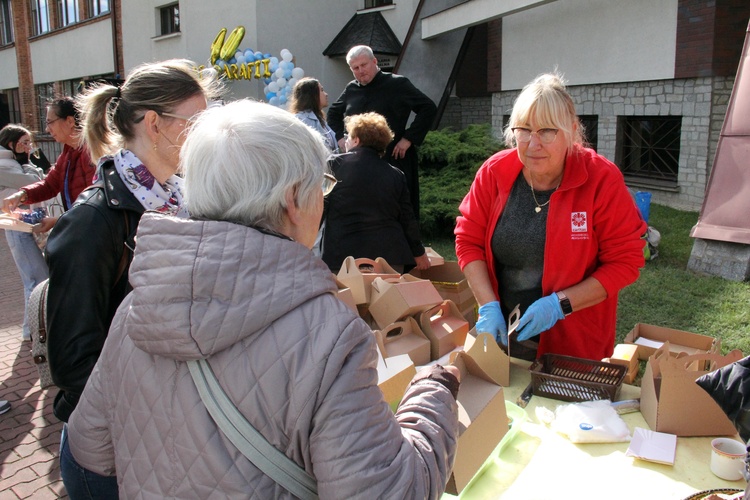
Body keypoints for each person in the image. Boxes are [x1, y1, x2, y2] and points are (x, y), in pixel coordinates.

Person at [62, 99, 460, 499]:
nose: (323, 200)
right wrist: (434, 393)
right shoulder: (330, 337)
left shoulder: (136, 307)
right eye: (321, 185)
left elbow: (90, 448)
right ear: (292, 199)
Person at [455, 73, 646, 362]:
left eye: (547, 131)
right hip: (504, 338)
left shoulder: (600, 180)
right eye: (524, 130)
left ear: (570, 130)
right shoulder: (495, 173)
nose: (533, 144)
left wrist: (560, 304)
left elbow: (625, 263)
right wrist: (488, 306)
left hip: (573, 343)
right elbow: (468, 241)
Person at [327, 45, 436, 221]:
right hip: (360, 164)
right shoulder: (351, 89)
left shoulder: (397, 84)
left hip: (394, 159)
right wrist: (340, 138)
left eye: (364, 65)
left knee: (399, 212)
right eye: (356, 68)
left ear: (374, 62)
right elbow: (332, 113)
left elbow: (428, 108)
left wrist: (408, 138)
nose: (361, 71)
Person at [322, 112, 430, 273]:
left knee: (346, 299)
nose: (346, 142)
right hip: (390, 258)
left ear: (357, 140)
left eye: (348, 137)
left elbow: (317, 208)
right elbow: (407, 218)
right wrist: (419, 252)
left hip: (343, 257)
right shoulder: (396, 174)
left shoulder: (333, 166)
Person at [2, 97, 95, 233]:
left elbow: (94, 202)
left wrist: (57, 220)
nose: (47, 129)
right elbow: (49, 184)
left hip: (94, 231)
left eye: (50, 122)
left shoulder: (91, 152)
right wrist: (22, 194)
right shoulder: (67, 154)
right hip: (81, 227)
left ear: (70, 121)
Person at [0, 124, 49, 341]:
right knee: (36, 278)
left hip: (32, 224)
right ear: (11, 144)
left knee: (36, 277)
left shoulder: (17, 162)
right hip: (17, 227)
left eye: (30, 142)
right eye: (25, 142)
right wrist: (30, 165)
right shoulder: (3, 164)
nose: (29, 147)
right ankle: (33, 332)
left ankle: (32, 329)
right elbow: (34, 182)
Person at [288, 77, 338, 153]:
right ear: (312, 95)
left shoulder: (320, 119)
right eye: (321, 90)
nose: (326, 94)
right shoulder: (301, 120)